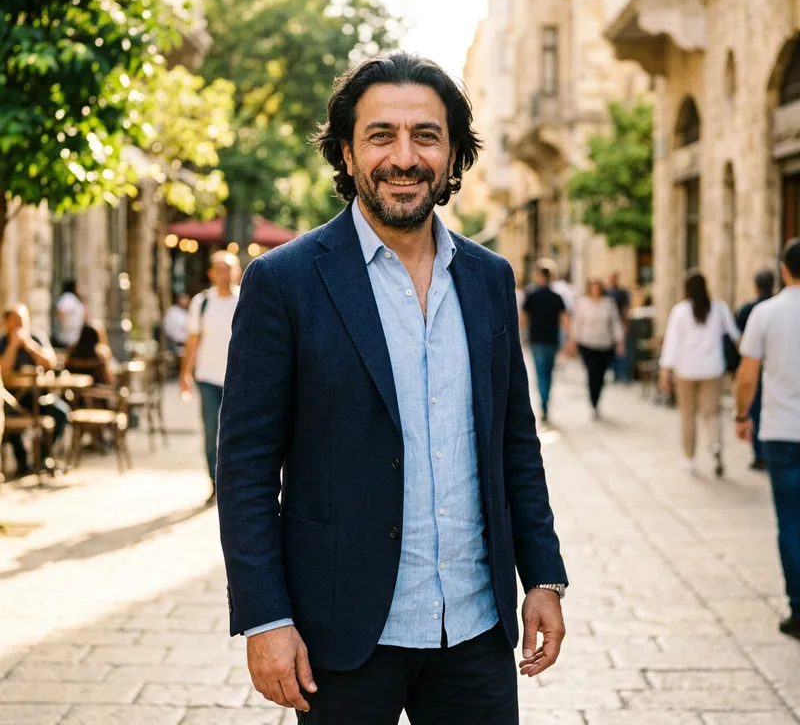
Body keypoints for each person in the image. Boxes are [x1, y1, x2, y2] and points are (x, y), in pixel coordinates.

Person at [217, 52, 567, 724]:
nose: (403, 157)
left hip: (475, 626)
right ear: (347, 154)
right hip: (340, 633)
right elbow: (246, 468)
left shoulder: (490, 279)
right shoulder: (284, 283)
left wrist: (542, 575)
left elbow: (515, 443)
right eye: (381, 135)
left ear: (454, 155)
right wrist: (264, 617)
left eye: (426, 136)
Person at [734, 238, 800, 641]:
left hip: (781, 431)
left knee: (791, 520)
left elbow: (746, 375)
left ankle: (799, 608)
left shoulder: (766, 312)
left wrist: (742, 415)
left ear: (784, 269)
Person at [659, 270, 739, 478]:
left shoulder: (680, 311)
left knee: (688, 415)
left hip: (686, 370)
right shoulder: (719, 308)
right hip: (712, 369)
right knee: (711, 412)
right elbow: (735, 336)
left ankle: (689, 458)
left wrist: (665, 370)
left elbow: (672, 343)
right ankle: (715, 445)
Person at [180, 251, 241, 505]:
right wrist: (185, 373)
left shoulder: (245, 298)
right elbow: (193, 340)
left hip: (239, 379)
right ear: (211, 273)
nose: (223, 274)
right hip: (207, 378)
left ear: (236, 271)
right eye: (218, 269)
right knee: (210, 431)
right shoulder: (201, 303)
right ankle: (215, 483)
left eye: (228, 269)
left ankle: (234, 483)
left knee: (237, 433)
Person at [0, 304, 70, 476]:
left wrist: (30, 346)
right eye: (15, 321)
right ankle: (22, 462)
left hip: (38, 396)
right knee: (11, 422)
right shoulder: (2, 342)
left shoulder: (36, 338)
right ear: (6, 323)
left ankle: (43, 455)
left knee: (61, 412)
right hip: (11, 398)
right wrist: (13, 346)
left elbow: (51, 362)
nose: (20, 325)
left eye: (23, 321)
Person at [735, 269, 775, 471]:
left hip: (756, 365)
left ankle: (760, 454)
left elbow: (740, 340)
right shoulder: (775, 309)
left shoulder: (749, 310)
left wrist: (741, 416)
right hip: (776, 366)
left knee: (757, 410)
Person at [568, 279, 624, 420]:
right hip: (587, 343)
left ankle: (597, 399)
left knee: (601, 374)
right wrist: (573, 341)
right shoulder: (583, 303)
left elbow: (615, 322)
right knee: (592, 372)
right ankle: (593, 402)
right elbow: (577, 322)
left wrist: (619, 341)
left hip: (605, 343)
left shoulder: (608, 303)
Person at [521, 264, 568, 423]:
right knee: (548, 373)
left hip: (537, 340)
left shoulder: (532, 295)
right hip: (552, 340)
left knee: (541, 374)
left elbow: (523, 318)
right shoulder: (557, 297)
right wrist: (569, 340)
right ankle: (545, 403)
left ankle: (544, 405)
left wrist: (519, 336)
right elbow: (564, 320)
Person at [65, 321, 116, 386]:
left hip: (74, 390)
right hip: (97, 391)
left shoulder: (72, 351)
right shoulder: (101, 352)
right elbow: (109, 378)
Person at [607, 272, 631, 383]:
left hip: (619, 323)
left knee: (621, 350)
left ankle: (622, 374)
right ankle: (615, 373)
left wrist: (625, 323)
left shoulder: (622, 292)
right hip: (608, 325)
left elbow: (626, 309)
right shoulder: (606, 292)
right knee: (611, 350)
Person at [53, 280, 86, 348]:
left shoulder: (74, 298)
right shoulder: (67, 297)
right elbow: (62, 311)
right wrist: (65, 325)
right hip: (68, 336)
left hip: (75, 334)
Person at [163, 293, 191, 357]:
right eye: (183, 299)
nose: (185, 301)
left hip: (186, 345)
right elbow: (170, 329)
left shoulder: (188, 312)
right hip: (175, 345)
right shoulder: (172, 312)